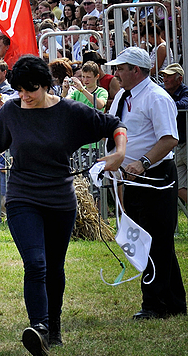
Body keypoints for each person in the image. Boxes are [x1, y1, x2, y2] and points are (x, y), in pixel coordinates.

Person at [0, 54, 127, 355]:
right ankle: (39, 327)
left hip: (60, 200)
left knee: (55, 267)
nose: (24, 96)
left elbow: (115, 125)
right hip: (22, 198)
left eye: (30, 90)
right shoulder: (12, 112)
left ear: (46, 85)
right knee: (36, 263)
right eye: (19, 90)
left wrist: (119, 152)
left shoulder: (70, 112)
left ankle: (54, 326)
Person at [106, 47, 186, 320]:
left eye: (120, 68)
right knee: (152, 240)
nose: (116, 73)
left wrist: (143, 162)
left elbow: (169, 139)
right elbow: (113, 126)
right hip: (133, 179)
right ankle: (174, 301)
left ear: (136, 71)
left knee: (155, 242)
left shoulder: (156, 97)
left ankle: (154, 305)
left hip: (155, 177)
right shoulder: (121, 96)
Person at [159, 63, 188, 203]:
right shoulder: (161, 90)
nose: (164, 79)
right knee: (178, 185)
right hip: (176, 145)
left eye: (168, 76)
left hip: (186, 144)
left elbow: (184, 105)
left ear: (179, 79)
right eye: (164, 75)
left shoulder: (185, 92)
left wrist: (164, 105)